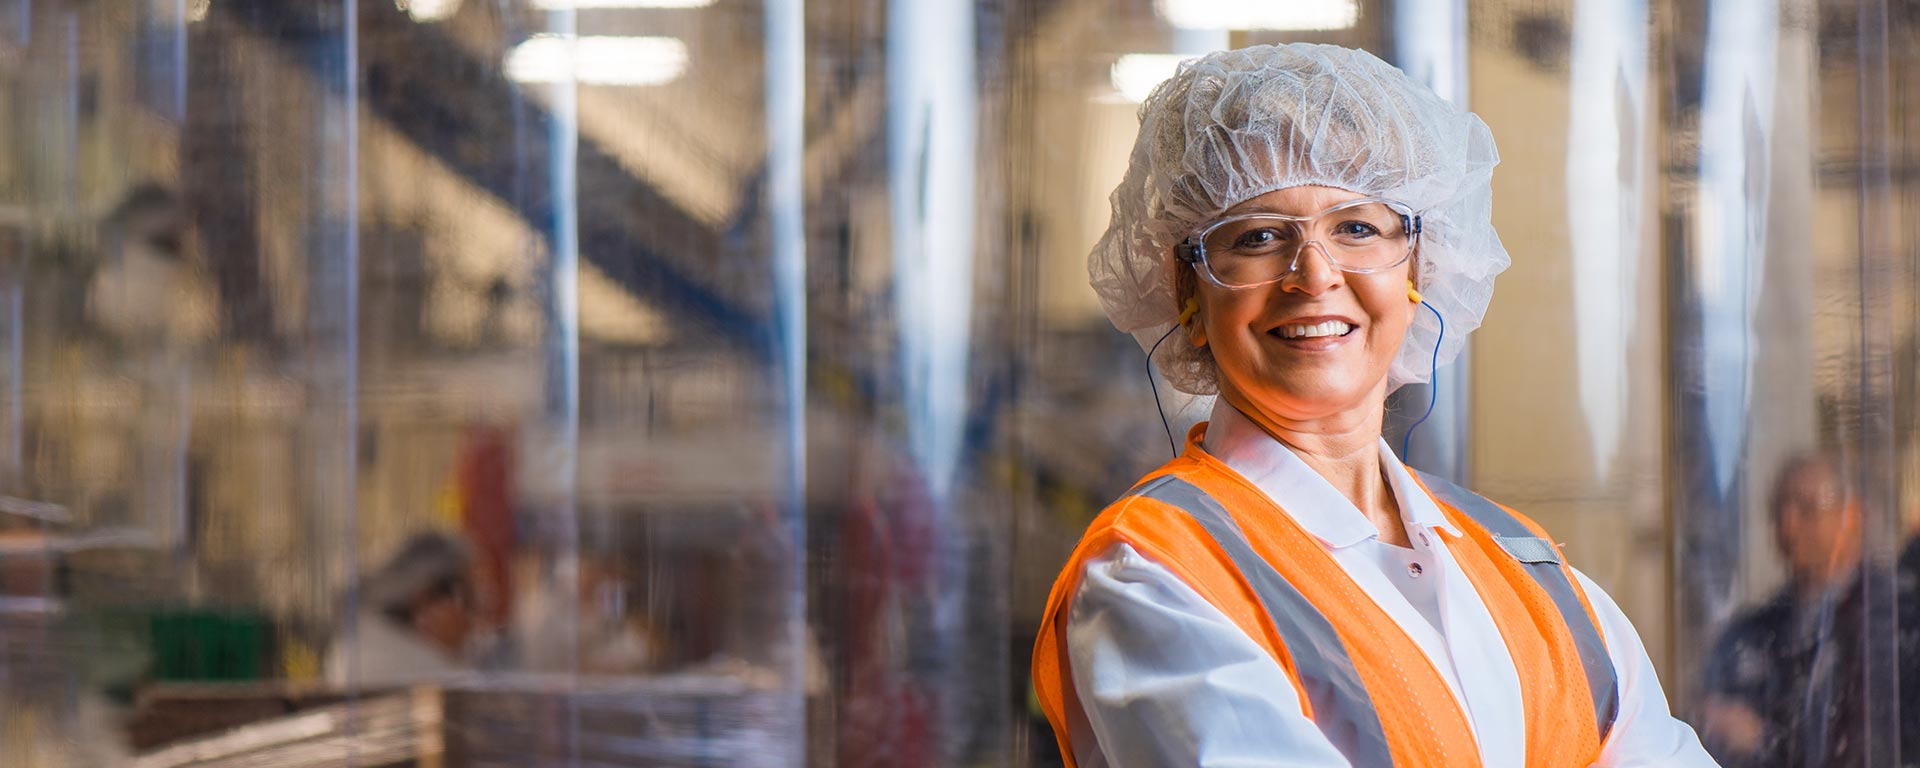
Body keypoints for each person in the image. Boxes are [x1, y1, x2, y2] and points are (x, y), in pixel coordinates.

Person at [1030, 44, 1715, 767]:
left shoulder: (1522, 563)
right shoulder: (1154, 574)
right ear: (1189, 297)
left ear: (1418, 269)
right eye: (1259, 237)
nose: (1315, 275)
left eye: (1356, 227)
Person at [1697, 453, 1871, 766]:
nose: (1789, 527)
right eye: (1780, 510)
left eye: (1807, 509)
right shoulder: (1750, 633)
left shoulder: (1886, 621)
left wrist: (1763, 740)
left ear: (1851, 517)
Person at [326, 533, 482, 689]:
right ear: (424, 599)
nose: (473, 620)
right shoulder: (427, 675)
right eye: (468, 599)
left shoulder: (362, 644)